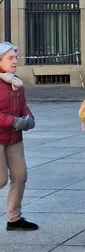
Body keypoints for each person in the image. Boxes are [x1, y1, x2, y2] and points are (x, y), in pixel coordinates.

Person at [0, 43, 36, 231]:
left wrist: (29, 118)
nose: (15, 61)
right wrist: (14, 121)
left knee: (20, 176)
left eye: (16, 57)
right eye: (10, 58)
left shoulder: (16, 82)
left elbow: (22, 105)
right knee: (1, 180)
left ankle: (14, 219)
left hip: (14, 138)